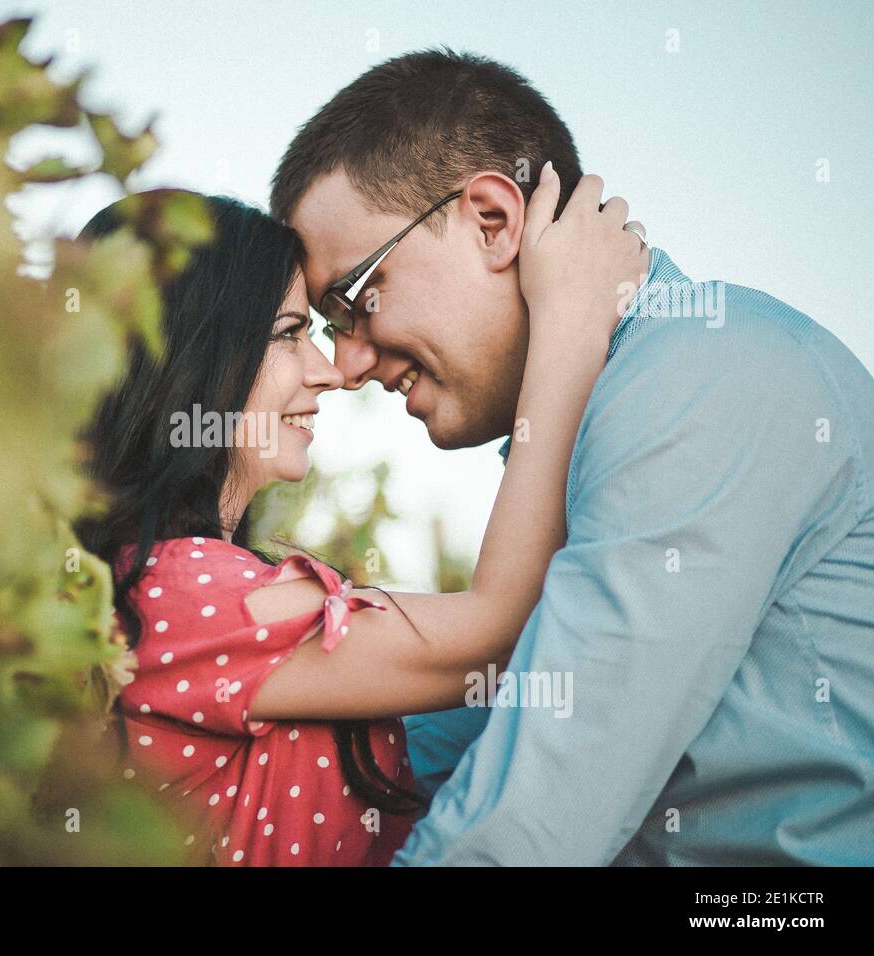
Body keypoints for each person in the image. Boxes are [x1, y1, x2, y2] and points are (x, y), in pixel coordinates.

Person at [270, 47, 874, 865]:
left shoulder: (698, 378)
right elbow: (434, 754)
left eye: (354, 301)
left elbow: (529, 826)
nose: (345, 365)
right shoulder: (606, 417)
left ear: (494, 219)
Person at [74, 178, 646, 865]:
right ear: (194, 356)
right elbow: (501, 629)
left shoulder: (159, 590)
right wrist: (571, 321)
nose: (327, 371)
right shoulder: (182, 592)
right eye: (289, 334)